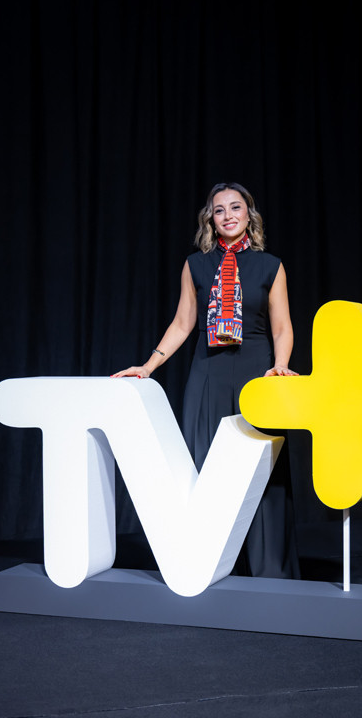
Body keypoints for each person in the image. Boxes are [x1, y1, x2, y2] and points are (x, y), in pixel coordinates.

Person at [113, 182, 300, 579]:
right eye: (219, 210)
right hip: (207, 373)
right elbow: (182, 324)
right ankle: (208, 569)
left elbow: (282, 327)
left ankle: (270, 571)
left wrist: (281, 365)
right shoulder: (195, 265)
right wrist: (148, 366)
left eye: (236, 207)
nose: (228, 215)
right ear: (210, 220)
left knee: (262, 473)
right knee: (206, 465)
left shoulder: (271, 266)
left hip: (257, 373)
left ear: (249, 214)